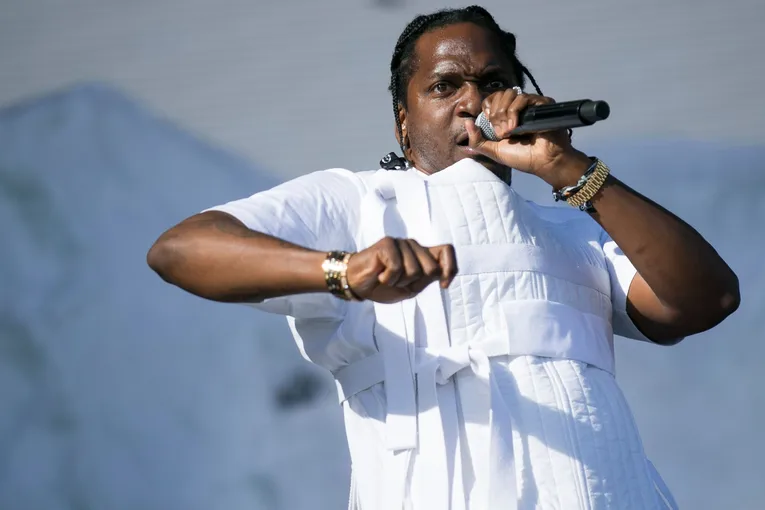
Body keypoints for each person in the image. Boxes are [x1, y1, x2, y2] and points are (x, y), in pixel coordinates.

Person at [147, 6, 739, 509]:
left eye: (493, 82)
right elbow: (180, 249)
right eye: (444, 86)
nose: (472, 101)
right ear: (403, 125)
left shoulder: (574, 229)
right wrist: (341, 271)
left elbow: (706, 299)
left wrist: (568, 168)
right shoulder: (359, 204)